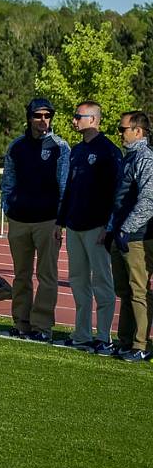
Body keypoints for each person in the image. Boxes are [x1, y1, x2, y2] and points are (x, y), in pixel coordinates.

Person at [0, 98, 69, 341]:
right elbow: (8, 180)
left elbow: (64, 185)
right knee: (21, 275)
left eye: (47, 116)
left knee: (47, 276)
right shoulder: (16, 146)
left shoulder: (61, 147)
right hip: (19, 220)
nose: (43, 120)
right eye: (38, 116)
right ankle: (21, 323)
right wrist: (8, 208)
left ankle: (42, 327)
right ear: (29, 117)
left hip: (48, 221)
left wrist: (60, 220)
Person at [54, 101, 121, 354]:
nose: (74, 121)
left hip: (97, 228)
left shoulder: (108, 151)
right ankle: (82, 334)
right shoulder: (77, 151)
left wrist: (109, 226)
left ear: (92, 120)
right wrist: (61, 222)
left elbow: (117, 192)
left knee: (102, 282)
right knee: (78, 281)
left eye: (78, 116)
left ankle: (104, 337)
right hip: (74, 225)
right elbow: (69, 189)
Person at [106, 111, 153, 362]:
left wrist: (125, 228)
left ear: (138, 131)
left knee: (138, 291)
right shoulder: (129, 157)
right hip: (121, 233)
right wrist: (113, 229)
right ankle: (125, 341)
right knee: (124, 291)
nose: (120, 134)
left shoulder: (146, 158)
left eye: (122, 129)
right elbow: (120, 199)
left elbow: (148, 200)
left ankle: (141, 344)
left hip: (138, 236)